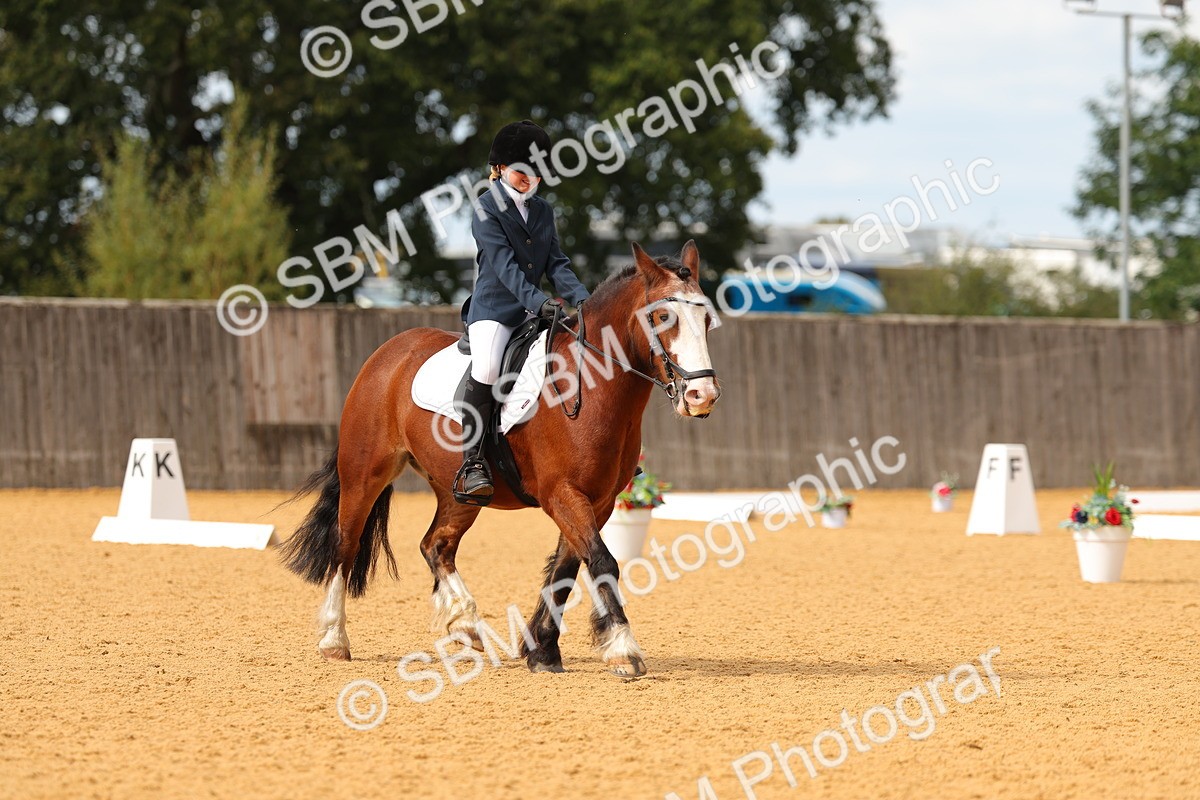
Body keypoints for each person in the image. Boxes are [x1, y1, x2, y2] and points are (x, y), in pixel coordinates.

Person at [456, 119, 591, 502]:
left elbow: (557, 263)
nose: (528, 180)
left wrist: (583, 302)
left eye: (535, 173)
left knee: (577, 354)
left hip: (537, 312)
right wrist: (539, 302)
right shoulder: (486, 209)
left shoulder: (544, 211)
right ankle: (472, 462)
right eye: (520, 172)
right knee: (486, 369)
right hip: (495, 312)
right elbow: (505, 268)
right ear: (499, 168)